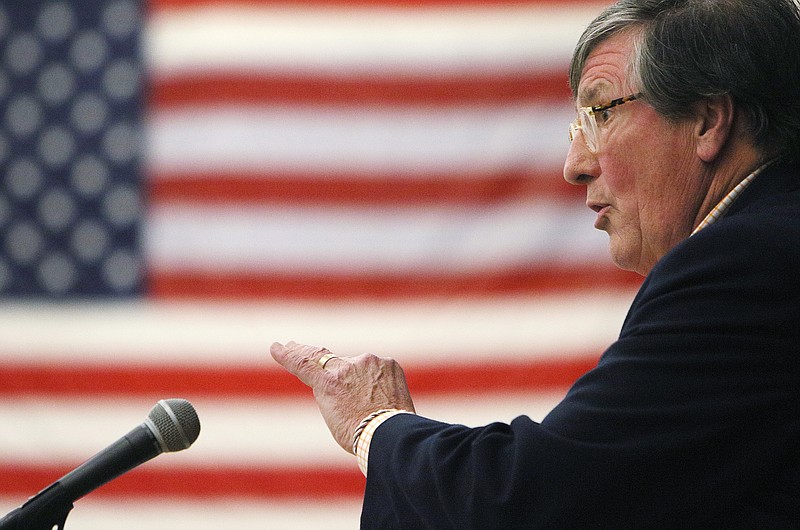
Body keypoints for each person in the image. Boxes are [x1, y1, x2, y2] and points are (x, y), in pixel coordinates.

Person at [270, 0, 800, 527]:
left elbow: (529, 500)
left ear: (707, 120)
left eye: (600, 113)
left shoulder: (746, 263)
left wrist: (374, 423)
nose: (575, 166)